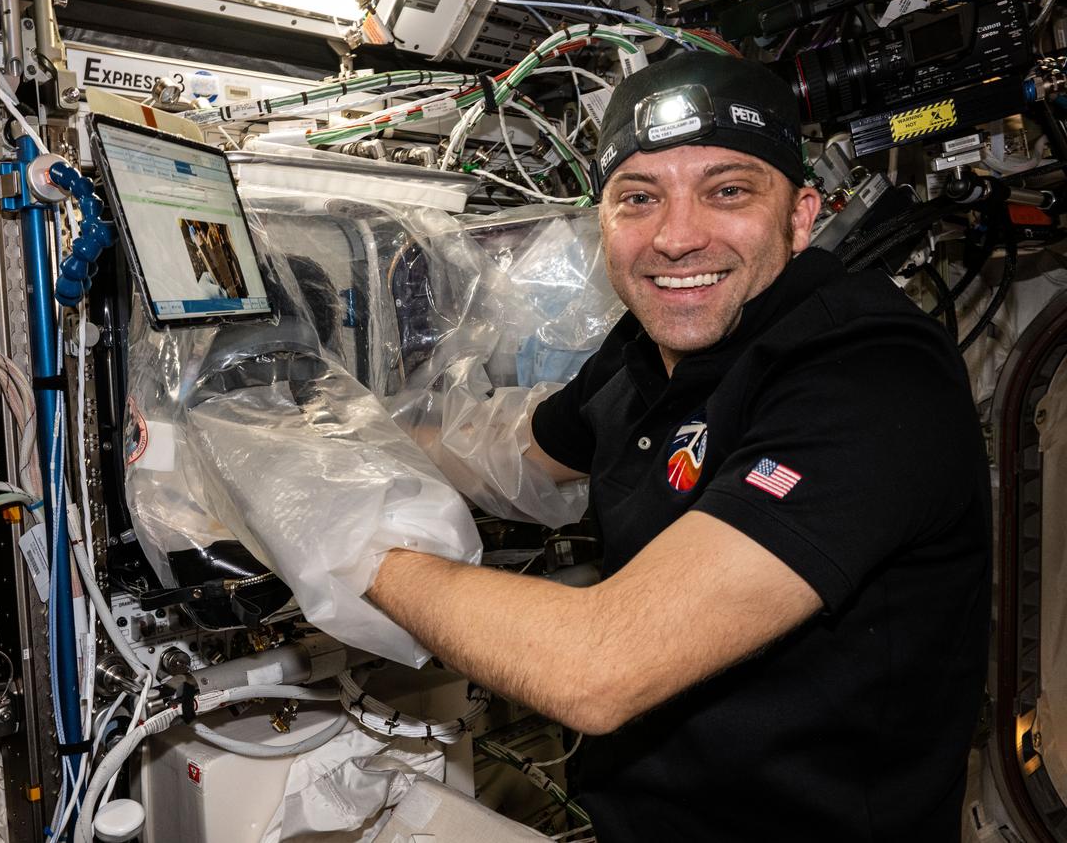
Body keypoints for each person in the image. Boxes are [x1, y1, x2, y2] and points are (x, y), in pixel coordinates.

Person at [366, 52, 991, 840]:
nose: (677, 237)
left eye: (727, 191)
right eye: (638, 198)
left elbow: (598, 665)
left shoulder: (869, 373)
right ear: (604, 226)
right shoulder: (645, 352)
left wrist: (351, 551)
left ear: (801, 216)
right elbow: (516, 453)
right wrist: (344, 442)